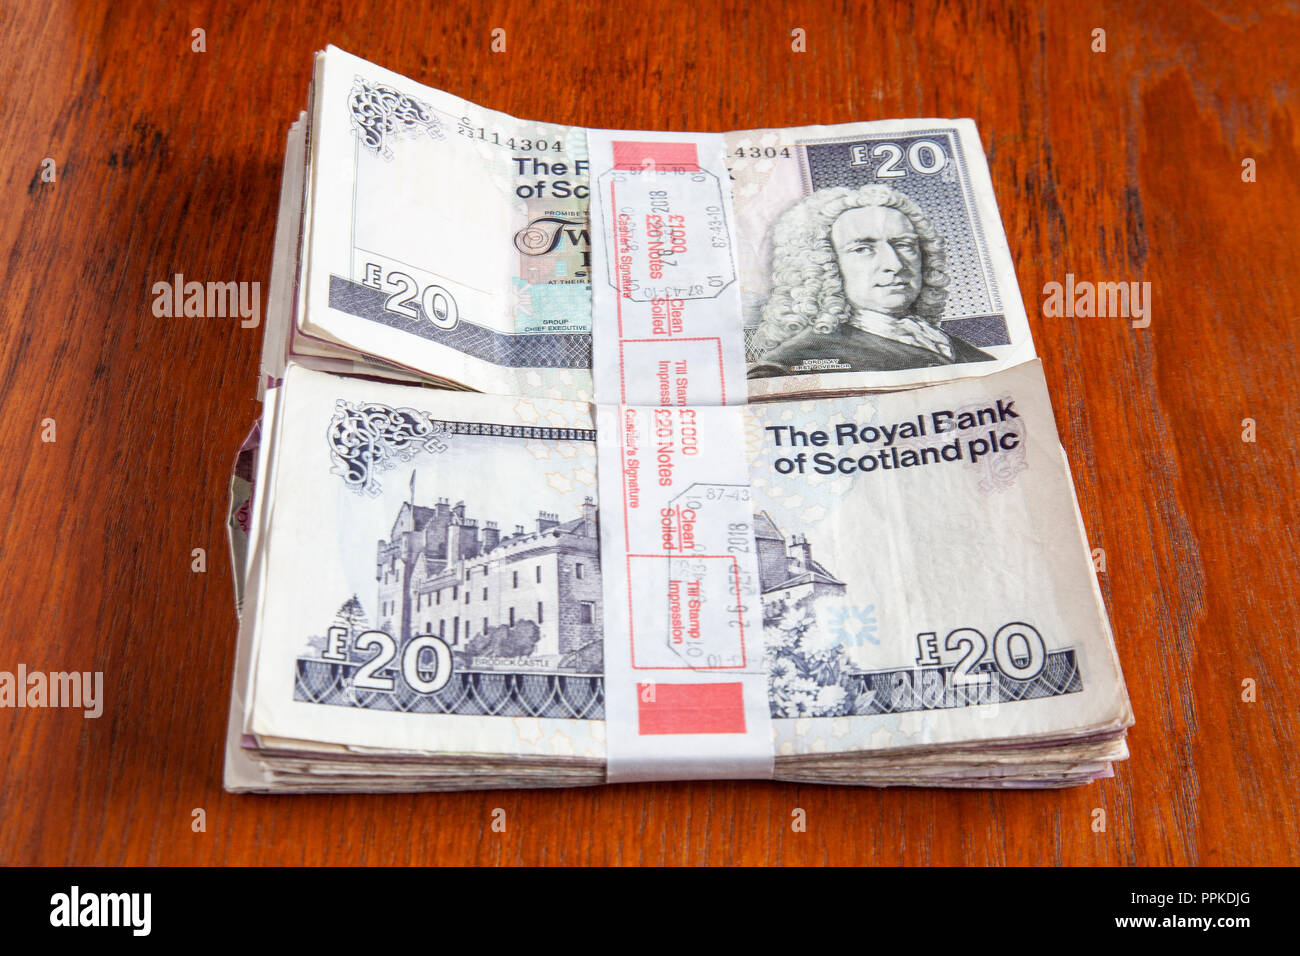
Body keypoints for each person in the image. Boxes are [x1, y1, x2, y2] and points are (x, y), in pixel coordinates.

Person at [749, 184, 993, 377]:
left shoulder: (956, 348)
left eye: (904, 245)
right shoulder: (788, 367)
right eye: (863, 249)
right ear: (824, 263)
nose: (895, 264)